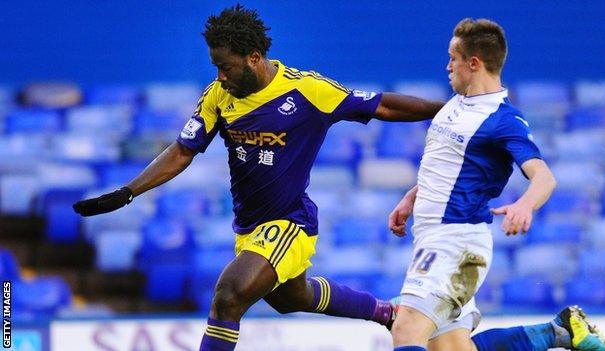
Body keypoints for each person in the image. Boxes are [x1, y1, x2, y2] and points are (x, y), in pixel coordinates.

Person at [73, 4, 445, 351]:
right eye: (215, 67)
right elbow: (182, 150)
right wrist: (128, 192)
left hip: (289, 223)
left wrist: (449, 111)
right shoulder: (219, 95)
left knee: (229, 294)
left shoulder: (307, 90)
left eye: (227, 66)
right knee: (292, 299)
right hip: (250, 228)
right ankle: (387, 313)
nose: (220, 76)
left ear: (254, 58)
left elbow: (382, 105)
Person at [386, 18, 605, 351]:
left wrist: (524, 204)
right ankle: (558, 331)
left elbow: (544, 176)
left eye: (452, 58)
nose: (447, 67)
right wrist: (412, 197)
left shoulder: (503, 119)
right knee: (451, 348)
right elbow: (449, 167)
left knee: (406, 331)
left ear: (473, 63)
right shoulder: (455, 105)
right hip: (433, 237)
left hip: (455, 242)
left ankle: (556, 331)